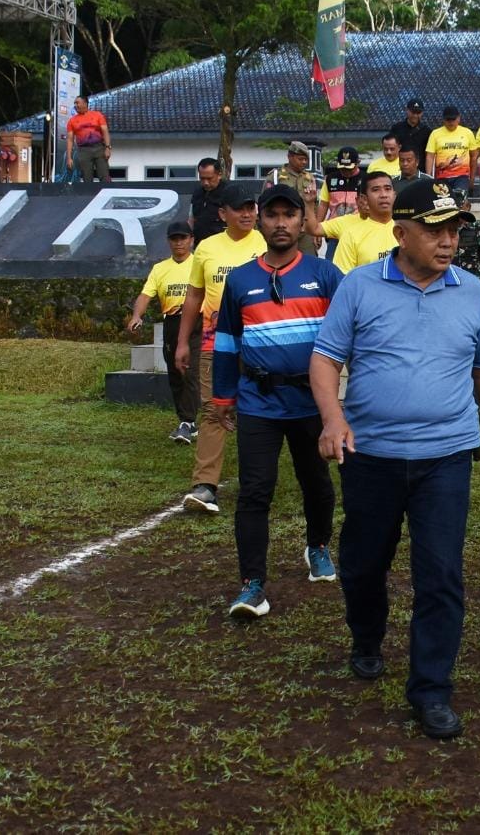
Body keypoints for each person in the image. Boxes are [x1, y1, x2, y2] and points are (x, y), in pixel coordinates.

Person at [311, 177, 480, 741]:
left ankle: (431, 690)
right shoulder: (359, 286)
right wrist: (333, 418)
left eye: (455, 231)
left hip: (446, 456)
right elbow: (325, 359)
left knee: (440, 573)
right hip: (370, 454)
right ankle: (367, 637)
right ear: (401, 233)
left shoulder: (470, 290)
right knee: (364, 563)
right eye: (435, 230)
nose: (448, 242)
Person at [214, 184, 347, 619]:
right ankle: (252, 584)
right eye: (272, 215)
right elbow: (227, 342)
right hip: (258, 403)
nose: (281, 223)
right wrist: (223, 396)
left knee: (317, 484)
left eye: (289, 215)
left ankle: (318, 546)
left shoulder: (325, 274)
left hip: (311, 402)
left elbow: (353, 332)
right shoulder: (240, 279)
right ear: (260, 220)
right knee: (254, 492)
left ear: (302, 221)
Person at [175, 182, 268, 515]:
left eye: (250, 207)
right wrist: (183, 341)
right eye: (239, 208)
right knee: (213, 410)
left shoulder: (266, 243)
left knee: (256, 412)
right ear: (222, 213)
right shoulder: (207, 248)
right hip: (215, 344)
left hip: (259, 343)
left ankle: (257, 479)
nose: (247, 213)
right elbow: (194, 296)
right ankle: (205, 485)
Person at [128, 219, 199, 444]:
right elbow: (145, 295)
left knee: (191, 370)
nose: (179, 243)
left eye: (183, 238)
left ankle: (188, 422)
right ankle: (186, 420)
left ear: (191, 240)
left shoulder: (200, 264)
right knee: (176, 373)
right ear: (168, 241)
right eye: (174, 239)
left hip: (197, 323)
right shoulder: (160, 269)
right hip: (172, 324)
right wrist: (137, 316)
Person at [332, 171, 400, 273]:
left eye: (387, 189)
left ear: (394, 195)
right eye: (376, 190)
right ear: (364, 199)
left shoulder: (407, 231)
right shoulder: (351, 236)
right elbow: (342, 278)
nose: (383, 195)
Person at [267, 141, 322, 255]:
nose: (304, 162)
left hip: (305, 230)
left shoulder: (309, 178)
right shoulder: (276, 176)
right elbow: (266, 204)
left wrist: (316, 230)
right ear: (290, 157)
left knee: (308, 261)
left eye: (306, 159)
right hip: (283, 227)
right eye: (300, 159)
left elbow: (315, 205)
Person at [452, 189, 480, 316]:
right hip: (447, 291)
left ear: (468, 206)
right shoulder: (440, 230)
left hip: (472, 291)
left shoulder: (479, 229)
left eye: (460, 208)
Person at [427, 107, 475, 193]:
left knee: (460, 198)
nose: (451, 122)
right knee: (443, 200)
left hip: (462, 176)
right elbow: (430, 156)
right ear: (443, 119)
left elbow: (474, 156)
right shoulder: (435, 134)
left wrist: (472, 178)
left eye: (453, 119)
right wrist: (429, 177)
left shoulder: (468, 133)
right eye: (448, 119)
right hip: (442, 177)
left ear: (458, 118)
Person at [65, 95, 112, 183]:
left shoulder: (97, 115)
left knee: (104, 176)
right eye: (75, 103)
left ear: (85, 103)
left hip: (99, 148)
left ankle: (107, 190)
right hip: (83, 151)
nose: (75, 105)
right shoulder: (72, 121)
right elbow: (70, 140)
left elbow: (105, 131)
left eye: (77, 103)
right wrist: (69, 158)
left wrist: (108, 148)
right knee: (87, 178)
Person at [317, 146, 362, 222]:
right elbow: (323, 204)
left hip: (357, 225)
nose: (346, 171)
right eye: (343, 168)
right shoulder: (330, 179)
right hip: (334, 225)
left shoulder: (366, 179)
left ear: (358, 163)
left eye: (349, 169)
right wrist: (317, 225)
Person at [191, 158, 228, 243]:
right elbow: (191, 219)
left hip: (222, 244)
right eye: (202, 178)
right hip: (200, 244)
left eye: (209, 178)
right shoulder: (197, 193)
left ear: (219, 175)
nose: (205, 183)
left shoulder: (230, 192)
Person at [388, 98, 432, 169]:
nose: (415, 115)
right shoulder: (396, 128)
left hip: (419, 169)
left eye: (418, 113)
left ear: (422, 113)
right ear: (407, 110)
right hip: (399, 168)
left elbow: (429, 154)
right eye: (413, 112)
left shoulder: (427, 131)